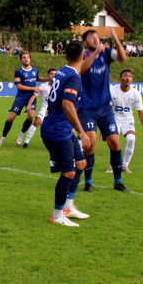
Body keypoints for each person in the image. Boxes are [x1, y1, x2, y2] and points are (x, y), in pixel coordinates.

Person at [40, 39, 91, 227]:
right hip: (57, 129)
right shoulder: (74, 77)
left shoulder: (62, 71)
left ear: (65, 56)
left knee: (81, 162)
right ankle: (58, 214)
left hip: (59, 127)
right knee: (68, 173)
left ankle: (68, 206)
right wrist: (82, 132)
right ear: (84, 56)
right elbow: (67, 104)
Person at [79, 29, 129, 192]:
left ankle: (118, 181)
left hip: (105, 108)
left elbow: (123, 58)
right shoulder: (84, 55)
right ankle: (88, 182)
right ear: (85, 43)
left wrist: (115, 37)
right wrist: (95, 53)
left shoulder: (106, 53)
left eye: (97, 37)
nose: (95, 39)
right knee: (91, 144)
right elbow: (82, 69)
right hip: (87, 108)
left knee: (115, 142)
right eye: (91, 38)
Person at [106, 70, 143, 174]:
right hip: (114, 119)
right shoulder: (112, 90)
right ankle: (113, 165)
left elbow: (141, 113)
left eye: (130, 76)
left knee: (131, 139)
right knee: (114, 141)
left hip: (127, 120)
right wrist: (104, 127)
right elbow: (106, 108)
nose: (127, 78)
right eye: (125, 76)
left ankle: (125, 165)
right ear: (120, 79)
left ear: (132, 80)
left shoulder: (135, 94)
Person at [0, 51, 42, 147]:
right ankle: (2, 138)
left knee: (31, 116)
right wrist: (33, 88)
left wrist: (49, 79)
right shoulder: (19, 71)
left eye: (28, 57)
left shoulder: (35, 70)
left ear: (30, 59)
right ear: (21, 60)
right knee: (11, 118)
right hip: (21, 97)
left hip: (31, 97)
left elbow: (37, 78)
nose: (26, 59)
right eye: (24, 57)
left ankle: (21, 135)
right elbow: (19, 86)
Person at [22, 68, 58, 148]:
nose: (53, 75)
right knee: (37, 122)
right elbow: (34, 96)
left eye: (55, 74)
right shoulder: (43, 86)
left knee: (57, 127)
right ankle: (26, 142)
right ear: (48, 75)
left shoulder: (60, 86)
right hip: (45, 108)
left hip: (55, 110)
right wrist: (29, 105)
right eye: (51, 73)